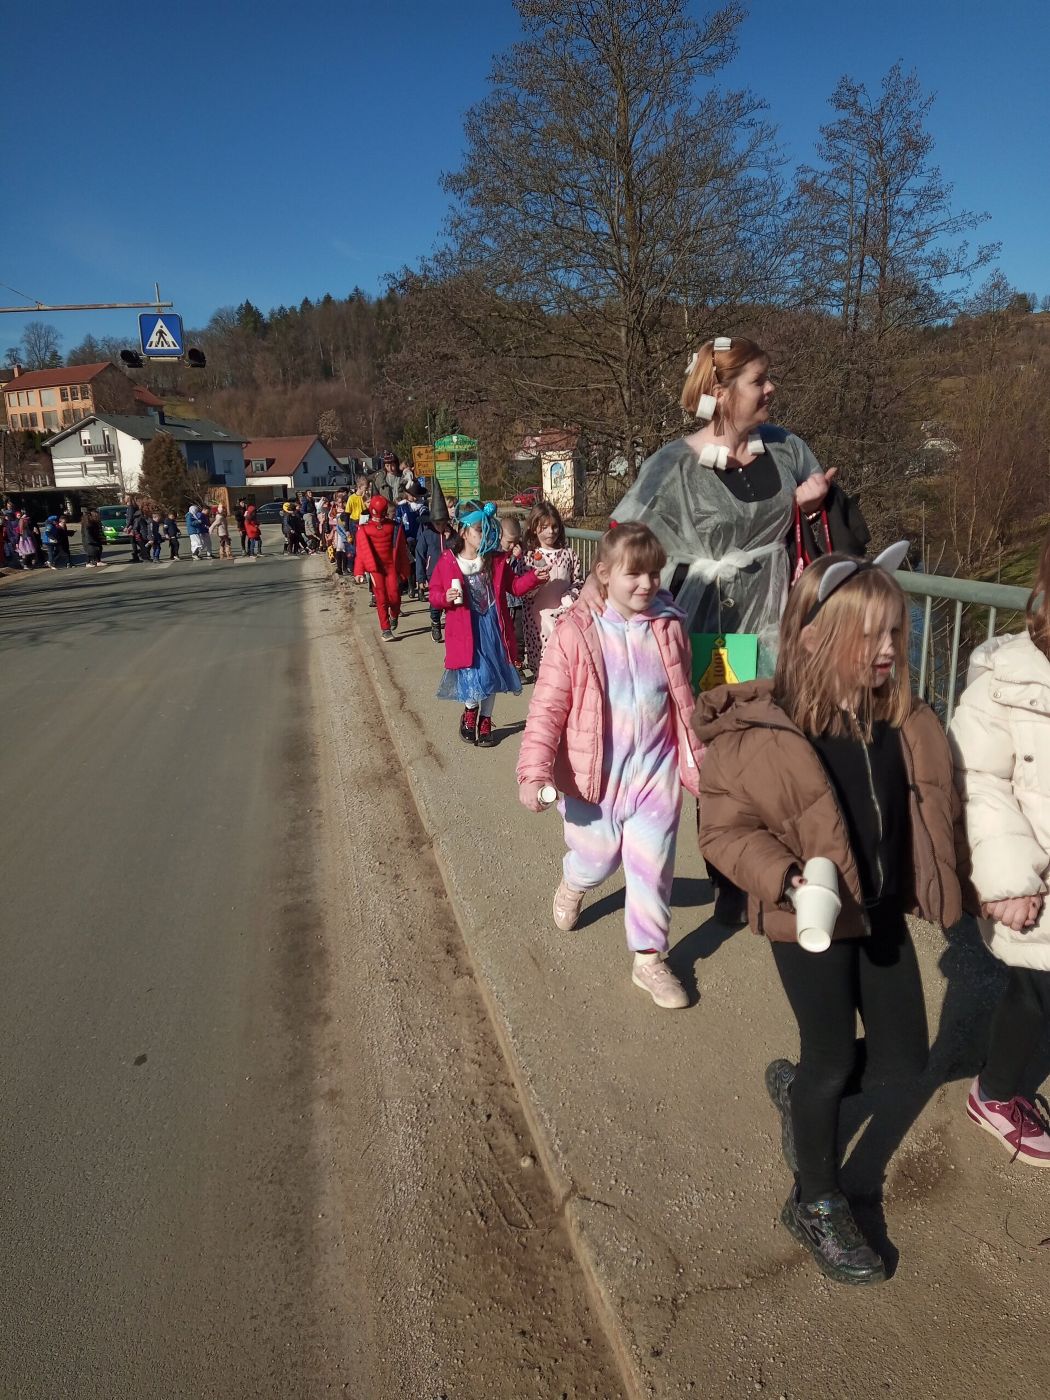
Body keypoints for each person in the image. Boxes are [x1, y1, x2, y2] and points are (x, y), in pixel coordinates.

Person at [693, 547, 963, 1285]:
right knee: (832, 1058)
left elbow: (936, 806)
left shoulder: (904, 720)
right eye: (869, 635)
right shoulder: (763, 731)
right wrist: (782, 878)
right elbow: (722, 830)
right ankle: (814, 1198)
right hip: (807, 919)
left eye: (895, 633)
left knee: (906, 1058)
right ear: (813, 637)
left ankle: (800, 1095)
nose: (888, 649)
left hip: (880, 914)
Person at [612, 335, 834, 929]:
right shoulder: (673, 465)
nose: (771, 389)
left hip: (778, 624)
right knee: (721, 752)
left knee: (778, 742)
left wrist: (812, 505)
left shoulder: (786, 450)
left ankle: (779, 866)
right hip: (711, 630)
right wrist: (591, 621)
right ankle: (730, 874)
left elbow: (820, 517)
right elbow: (623, 540)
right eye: (758, 380)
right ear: (720, 391)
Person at [517, 523, 702, 1009]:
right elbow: (547, 707)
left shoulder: (669, 625)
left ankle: (649, 960)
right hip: (594, 777)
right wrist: (534, 771)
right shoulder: (575, 633)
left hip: (655, 772)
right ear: (603, 573)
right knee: (598, 858)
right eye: (634, 574)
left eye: (654, 574)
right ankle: (574, 882)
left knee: (652, 865)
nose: (647, 584)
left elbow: (685, 698)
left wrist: (700, 758)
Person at [949, 535, 1050, 1166]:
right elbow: (977, 778)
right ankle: (995, 1093)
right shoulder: (1006, 675)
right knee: (1037, 989)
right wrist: (1011, 879)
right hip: (1037, 876)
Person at [429, 500, 544, 744]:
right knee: (473, 674)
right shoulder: (449, 561)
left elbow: (515, 587)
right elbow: (434, 593)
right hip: (465, 627)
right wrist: (445, 597)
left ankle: (485, 720)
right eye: (479, 530)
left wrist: (535, 577)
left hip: (493, 625)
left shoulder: (495, 560)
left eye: (487, 529)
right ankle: (470, 713)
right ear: (464, 531)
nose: (484, 534)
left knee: (491, 674)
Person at [521, 501, 584, 665]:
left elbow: (578, 581)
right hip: (538, 622)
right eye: (544, 527)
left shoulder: (568, 554)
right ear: (534, 528)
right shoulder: (528, 557)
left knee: (564, 663)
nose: (551, 531)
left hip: (565, 617)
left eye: (554, 527)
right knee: (543, 666)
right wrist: (535, 581)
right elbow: (523, 590)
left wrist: (571, 595)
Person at [354, 495, 411, 639]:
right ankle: (385, 629)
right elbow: (361, 552)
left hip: (391, 566)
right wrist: (359, 571)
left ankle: (394, 615)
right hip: (375, 568)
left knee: (395, 596)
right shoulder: (364, 529)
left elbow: (402, 550)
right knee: (381, 598)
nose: (378, 518)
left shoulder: (395, 527)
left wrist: (405, 569)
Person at [417, 478, 454, 643]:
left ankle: (451, 625)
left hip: (450, 573)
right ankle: (435, 623)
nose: (441, 526)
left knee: (451, 600)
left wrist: (450, 538)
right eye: (438, 523)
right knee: (435, 601)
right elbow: (420, 555)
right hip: (432, 574)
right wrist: (420, 578)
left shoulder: (452, 534)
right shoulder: (427, 535)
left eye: (443, 522)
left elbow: (460, 550)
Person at [500, 514, 530, 674]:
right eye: (509, 542)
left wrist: (520, 557)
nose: (512, 546)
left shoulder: (522, 554)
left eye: (516, 542)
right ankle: (505, 662)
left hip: (518, 601)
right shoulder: (497, 554)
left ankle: (518, 663)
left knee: (518, 634)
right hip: (504, 601)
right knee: (504, 632)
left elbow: (525, 573)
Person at [394, 482, 428, 598]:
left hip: (420, 537)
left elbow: (426, 519)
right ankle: (411, 586)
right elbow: (398, 523)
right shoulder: (401, 507)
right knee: (410, 563)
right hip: (407, 538)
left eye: (417, 495)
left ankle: (421, 588)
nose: (414, 498)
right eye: (412, 495)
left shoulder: (422, 506)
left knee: (421, 562)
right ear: (407, 494)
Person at [331, 511, 351, 575]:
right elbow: (338, 528)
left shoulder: (342, 516)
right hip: (343, 537)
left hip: (345, 537)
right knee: (341, 551)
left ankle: (342, 568)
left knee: (342, 551)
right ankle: (341, 568)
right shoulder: (340, 517)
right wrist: (345, 536)